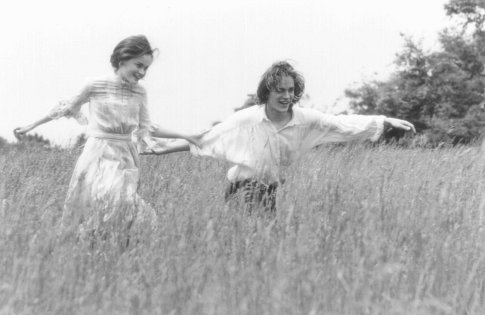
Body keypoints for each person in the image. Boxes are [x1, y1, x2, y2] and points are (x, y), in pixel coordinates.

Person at [145, 61, 415, 213]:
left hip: (269, 191)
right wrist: (160, 149)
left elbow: (341, 124)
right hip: (242, 189)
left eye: (290, 90)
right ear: (267, 92)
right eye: (279, 91)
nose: (286, 96)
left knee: (262, 247)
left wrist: (383, 120)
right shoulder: (247, 118)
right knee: (252, 244)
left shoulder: (304, 119)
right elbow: (206, 138)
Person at [14, 35, 197, 238]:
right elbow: (68, 106)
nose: (142, 72)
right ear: (122, 59)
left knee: (123, 202)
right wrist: (32, 125)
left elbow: (147, 128)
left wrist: (186, 136)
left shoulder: (140, 93)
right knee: (97, 199)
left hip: (126, 155)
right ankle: (89, 243)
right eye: (138, 65)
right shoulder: (95, 84)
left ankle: (114, 243)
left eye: (146, 68)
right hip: (97, 152)